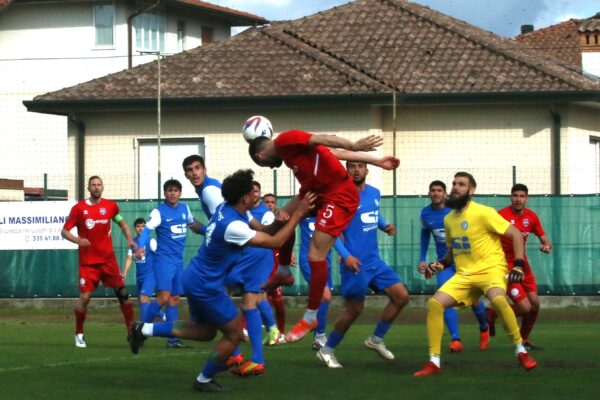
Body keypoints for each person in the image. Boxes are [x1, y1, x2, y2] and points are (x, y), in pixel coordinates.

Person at [128, 169, 315, 392]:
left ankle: (144, 330)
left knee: (205, 331)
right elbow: (275, 242)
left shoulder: (232, 210)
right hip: (206, 285)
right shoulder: (233, 225)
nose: (255, 194)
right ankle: (204, 379)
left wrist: (291, 209)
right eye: (252, 192)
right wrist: (298, 215)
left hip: (197, 278)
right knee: (235, 333)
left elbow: (266, 230)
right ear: (245, 197)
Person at [249, 126, 400, 342]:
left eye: (264, 164)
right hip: (316, 191)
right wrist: (377, 161)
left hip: (338, 194)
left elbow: (323, 139)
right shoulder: (289, 153)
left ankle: (311, 316)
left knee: (315, 256)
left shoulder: (284, 141)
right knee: (277, 225)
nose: (269, 167)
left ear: (260, 156)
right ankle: (283, 271)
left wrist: (355, 145)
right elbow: (333, 153)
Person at [413, 172, 537, 377]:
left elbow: (515, 234)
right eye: (454, 184)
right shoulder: (449, 219)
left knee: (497, 299)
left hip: (491, 271)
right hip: (465, 275)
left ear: (471, 191)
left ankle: (520, 350)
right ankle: (434, 362)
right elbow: (450, 255)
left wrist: (518, 265)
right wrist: (439, 265)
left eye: (461, 184)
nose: (455, 187)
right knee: (435, 304)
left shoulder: (483, 212)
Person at [317, 161, 409, 368]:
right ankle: (327, 350)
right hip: (355, 264)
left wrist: (384, 226)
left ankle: (375, 340)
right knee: (354, 310)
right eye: (351, 166)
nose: (356, 170)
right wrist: (346, 256)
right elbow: (332, 233)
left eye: (360, 166)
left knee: (401, 297)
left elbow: (373, 213)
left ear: (367, 170)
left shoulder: (374, 193)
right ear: (346, 170)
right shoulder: (341, 197)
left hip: (374, 261)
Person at [61, 175, 136, 348]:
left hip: (108, 261)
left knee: (123, 294)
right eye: (93, 185)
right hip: (88, 264)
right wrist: (78, 240)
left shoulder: (110, 207)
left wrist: (130, 240)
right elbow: (64, 231)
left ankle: (131, 332)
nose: (96, 187)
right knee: (85, 298)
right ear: (88, 189)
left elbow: (122, 224)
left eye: (99, 185)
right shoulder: (79, 209)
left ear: (103, 188)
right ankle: (79, 333)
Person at [418, 180, 489, 352]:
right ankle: (456, 339)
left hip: (465, 262)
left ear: (445, 193)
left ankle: (484, 328)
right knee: (444, 298)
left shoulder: (455, 210)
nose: (436, 193)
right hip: (445, 263)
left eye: (439, 190)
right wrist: (422, 258)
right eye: (432, 190)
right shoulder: (425, 214)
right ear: (429, 193)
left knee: (474, 301)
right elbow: (425, 234)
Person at [223, 180, 283, 376]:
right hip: (241, 260)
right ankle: (247, 350)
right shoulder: (241, 212)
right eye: (250, 191)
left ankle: (254, 356)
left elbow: (268, 235)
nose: (253, 194)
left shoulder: (263, 213)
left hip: (256, 260)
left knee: (250, 301)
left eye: (256, 191)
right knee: (247, 300)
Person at [136, 179, 202, 348]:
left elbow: (193, 224)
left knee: (174, 299)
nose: (173, 193)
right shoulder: (159, 212)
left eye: (176, 190)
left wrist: (209, 232)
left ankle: (172, 340)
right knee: (164, 297)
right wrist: (141, 247)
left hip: (178, 261)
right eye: (169, 190)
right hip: (163, 261)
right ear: (165, 193)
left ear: (180, 193)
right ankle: (140, 329)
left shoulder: (184, 209)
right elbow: (147, 230)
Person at [487, 183, 552, 350]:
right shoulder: (501, 215)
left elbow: (544, 238)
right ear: (511, 197)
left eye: (522, 196)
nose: (518, 199)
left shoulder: (531, 216)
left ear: (527, 198)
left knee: (535, 304)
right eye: (515, 195)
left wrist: (546, 246)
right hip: (506, 266)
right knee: (524, 308)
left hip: (523, 265)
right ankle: (493, 313)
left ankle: (524, 340)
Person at [298, 216, 334, 350]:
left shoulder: (330, 214)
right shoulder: (305, 214)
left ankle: (318, 334)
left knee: (325, 298)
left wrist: (345, 253)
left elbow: (337, 236)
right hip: (309, 263)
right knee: (324, 295)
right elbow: (288, 225)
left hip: (326, 264)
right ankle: (317, 334)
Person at [122, 217, 165, 323]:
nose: (141, 229)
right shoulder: (133, 242)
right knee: (142, 300)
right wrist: (125, 272)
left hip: (150, 275)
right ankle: (161, 314)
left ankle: (144, 326)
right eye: (138, 226)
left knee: (143, 297)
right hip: (139, 276)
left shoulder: (150, 241)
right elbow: (129, 258)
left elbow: (161, 255)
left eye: (143, 226)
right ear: (134, 228)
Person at [263, 193, 287, 342]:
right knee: (257, 298)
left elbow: (285, 238)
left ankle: (282, 332)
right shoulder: (258, 218)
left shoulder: (279, 220)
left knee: (278, 301)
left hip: (276, 262)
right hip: (261, 262)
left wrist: (288, 254)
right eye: (267, 202)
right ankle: (269, 331)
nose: (269, 204)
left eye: (272, 202)